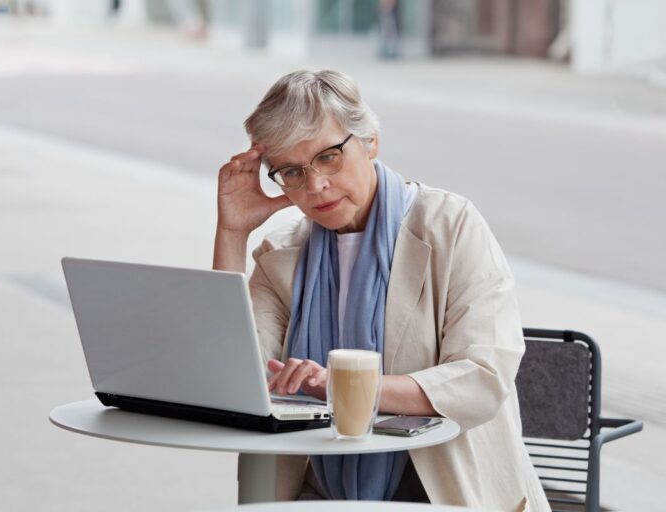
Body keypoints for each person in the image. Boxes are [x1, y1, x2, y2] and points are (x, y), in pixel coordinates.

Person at [212, 69, 550, 511]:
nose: (315, 185)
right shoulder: (282, 254)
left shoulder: (450, 226)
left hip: (439, 488)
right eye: (293, 172)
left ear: (369, 141)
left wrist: (343, 387)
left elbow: (481, 378)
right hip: (316, 491)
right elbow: (228, 378)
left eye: (328, 157)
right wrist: (233, 232)